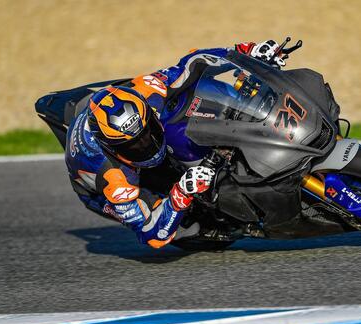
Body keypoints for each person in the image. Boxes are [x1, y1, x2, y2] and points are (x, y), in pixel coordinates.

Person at [65, 40, 286, 249]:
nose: (147, 144)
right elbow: (152, 234)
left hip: (121, 112)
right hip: (102, 189)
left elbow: (195, 62)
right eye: (135, 146)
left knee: (187, 101)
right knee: (181, 228)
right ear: (112, 148)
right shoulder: (114, 180)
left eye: (148, 131)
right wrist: (180, 194)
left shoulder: (148, 90)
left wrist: (246, 52)